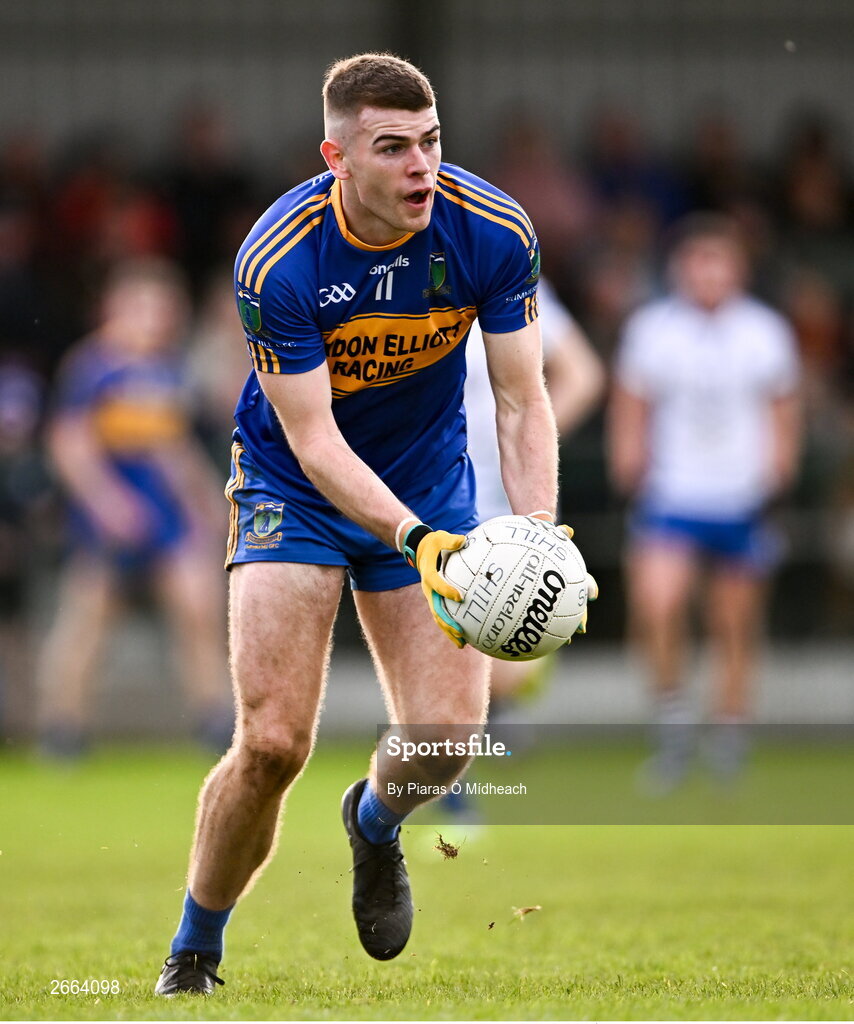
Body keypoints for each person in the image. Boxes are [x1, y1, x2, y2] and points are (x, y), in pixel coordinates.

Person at [154, 53, 594, 995]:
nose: (420, 168)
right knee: (273, 743)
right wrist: (418, 542)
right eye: (392, 148)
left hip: (429, 479)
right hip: (294, 486)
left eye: (431, 143)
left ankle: (373, 824)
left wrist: (540, 535)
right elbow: (313, 442)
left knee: (444, 737)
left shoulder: (492, 231)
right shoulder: (280, 260)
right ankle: (196, 950)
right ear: (337, 157)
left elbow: (522, 401)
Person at [608, 213, 801, 790]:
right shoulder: (653, 329)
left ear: (738, 269)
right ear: (680, 268)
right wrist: (629, 459)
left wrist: (779, 466)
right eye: (698, 260)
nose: (708, 272)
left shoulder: (765, 331)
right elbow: (631, 402)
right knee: (659, 604)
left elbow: (783, 406)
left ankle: (729, 732)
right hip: (672, 493)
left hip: (741, 497)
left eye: (720, 260)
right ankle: (672, 727)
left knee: (733, 621)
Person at [36, 258, 233, 758]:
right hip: (107, 518)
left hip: (163, 517)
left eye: (162, 309)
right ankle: (62, 729)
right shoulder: (91, 366)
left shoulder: (163, 370)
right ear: (116, 307)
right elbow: (69, 445)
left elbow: (171, 449)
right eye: (145, 306)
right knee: (86, 621)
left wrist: (204, 501)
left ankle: (214, 721)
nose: (156, 318)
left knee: (198, 608)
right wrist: (107, 503)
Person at [463, 276, 604, 707]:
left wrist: (527, 443)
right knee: (438, 644)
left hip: (507, 493)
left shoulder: (507, 272)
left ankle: (501, 713)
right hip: (423, 486)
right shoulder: (393, 274)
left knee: (507, 653)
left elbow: (583, 374)